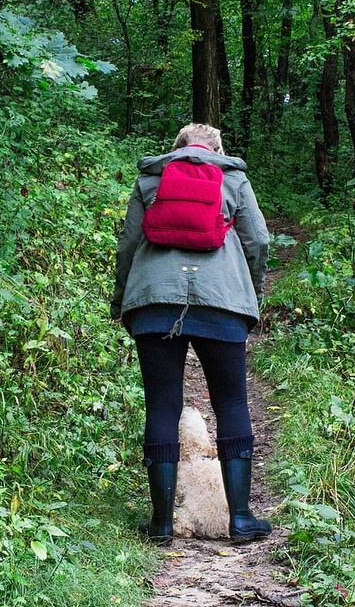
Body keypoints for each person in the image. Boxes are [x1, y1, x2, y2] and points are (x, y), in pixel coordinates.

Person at [110, 123, 271, 545]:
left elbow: (128, 244)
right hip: (224, 302)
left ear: (176, 147)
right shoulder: (233, 179)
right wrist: (250, 296)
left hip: (154, 301)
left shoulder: (151, 179)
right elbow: (258, 241)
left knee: (162, 406)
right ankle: (240, 519)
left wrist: (122, 300)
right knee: (232, 401)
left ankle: (162, 524)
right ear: (218, 148)